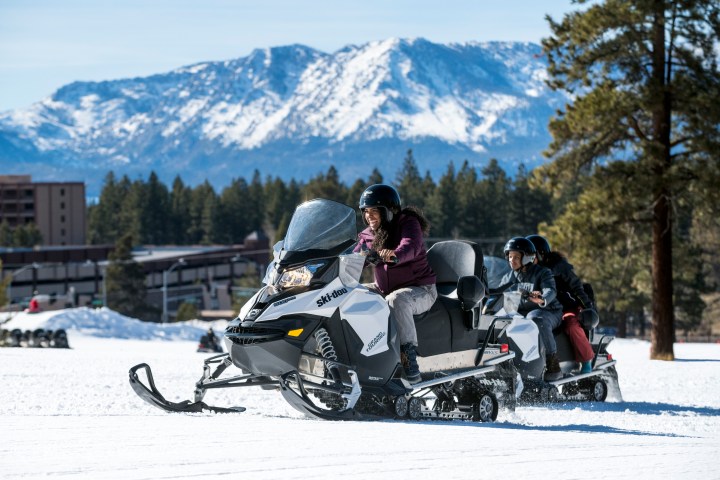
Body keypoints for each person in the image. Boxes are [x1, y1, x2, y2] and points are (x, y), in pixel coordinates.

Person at [353, 184, 437, 384]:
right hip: (384, 288)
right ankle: (359, 351)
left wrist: (395, 256)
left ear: (388, 211)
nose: (369, 216)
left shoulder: (407, 223)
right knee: (351, 295)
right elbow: (354, 256)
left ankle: (408, 357)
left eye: (374, 211)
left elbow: (411, 245)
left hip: (420, 289)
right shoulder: (368, 234)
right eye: (366, 212)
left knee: (397, 300)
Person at [495, 237, 564, 381]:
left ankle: (553, 363)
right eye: (510, 256)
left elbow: (550, 290)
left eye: (516, 257)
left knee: (535, 318)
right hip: (521, 313)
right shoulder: (509, 277)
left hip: (549, 311)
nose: (511, 261)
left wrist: (542, 298)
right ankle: (505, 362)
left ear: (527, 258)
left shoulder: (543, 273)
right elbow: (499, 295)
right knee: (501, 320)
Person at [527, 234, 595, 374]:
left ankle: (586, 361)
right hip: (548, 309)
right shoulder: (529, 271)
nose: (528, 259)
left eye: (531, 255)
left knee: (570, 323)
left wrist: (587, 308)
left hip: (568, 307)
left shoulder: (559, 268)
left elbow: (577, 288)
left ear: (541, 254)